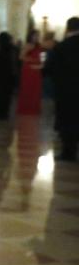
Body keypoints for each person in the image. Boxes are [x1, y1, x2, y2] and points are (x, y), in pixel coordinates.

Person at [45, 17, 79, 161]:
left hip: (66, 91)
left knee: (67, 120)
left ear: (68, 28)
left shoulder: (61, 47)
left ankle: (68, 152)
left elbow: (48, 69)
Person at [16, 29, 43, 116]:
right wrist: (32, 60)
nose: (36, 37)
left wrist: (40, 65)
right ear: (30, 36)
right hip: (28, 70)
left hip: (37, 70)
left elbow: (43, 58)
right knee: (27, 89)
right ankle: (26, 109)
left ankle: (34, 109)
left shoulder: (40, 46)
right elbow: (21, 57)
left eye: (38, 36)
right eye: (35, 35)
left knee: (36, 90)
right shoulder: (27, 45)